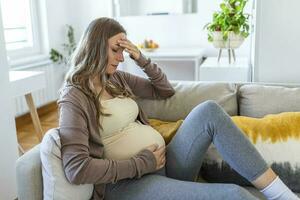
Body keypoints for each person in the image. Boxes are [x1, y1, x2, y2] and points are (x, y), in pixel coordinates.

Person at [58, 17, 299, 200]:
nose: (121, 57)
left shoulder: (116, 79)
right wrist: (142, 163)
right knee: (234, 194)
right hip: (127, 183)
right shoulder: (74, 98)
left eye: (123, 50)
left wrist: (141, 58)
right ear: (95, 46)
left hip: (164, 165)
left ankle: (282, 195)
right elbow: (76, 168)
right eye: (115, 50)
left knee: (208, 111)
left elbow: (164, 90)